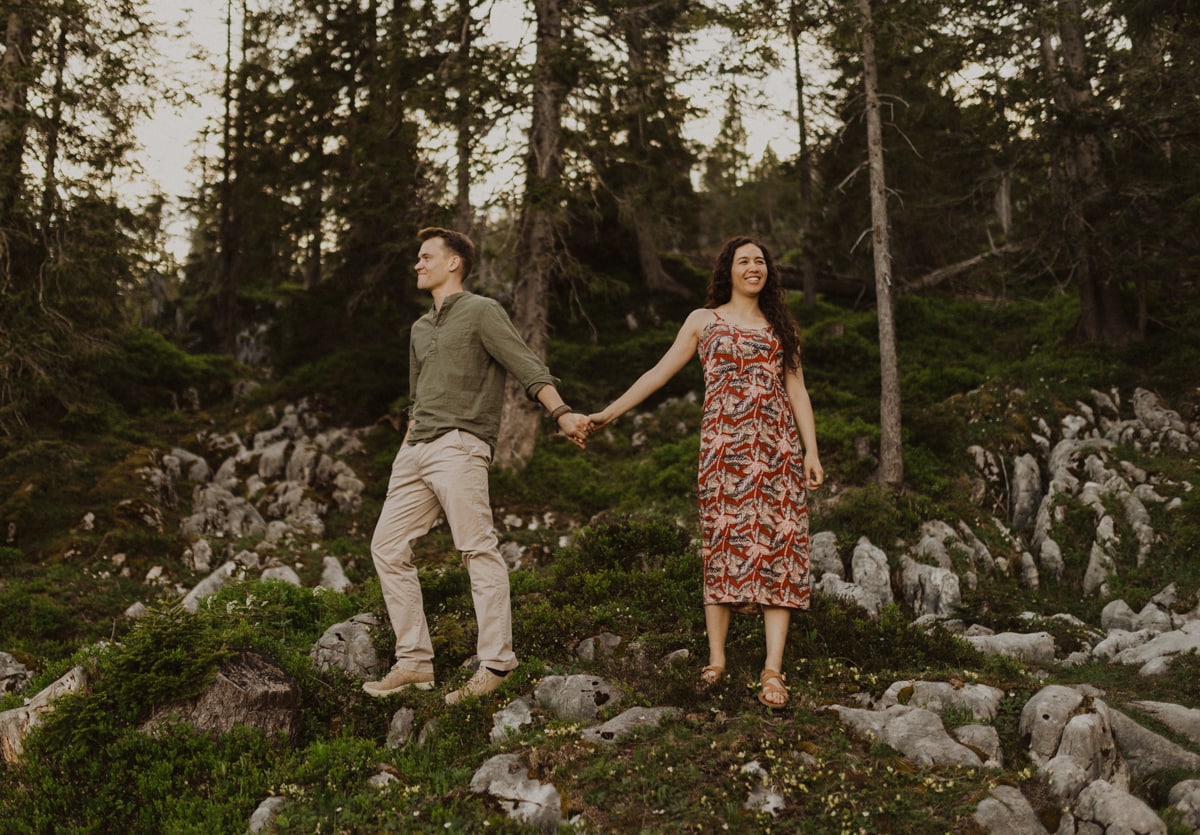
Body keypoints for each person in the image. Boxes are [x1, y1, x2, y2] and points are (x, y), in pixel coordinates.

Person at [588, 235, 823, 708]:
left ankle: (772, 669)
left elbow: (797, 391)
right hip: (722, 451)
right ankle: (716, 660)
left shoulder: (781, 327)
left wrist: (810, 452)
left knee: (780, 545)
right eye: (744, 261)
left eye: (761, 261)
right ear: (728, 270)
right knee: (721, 542)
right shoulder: (703, 321)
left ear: (768, 273)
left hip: (777, 451)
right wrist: (606, 415)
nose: (754, 267)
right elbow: (658, 373)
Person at [363, 227, 590, 704]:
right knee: (386, 547)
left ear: (454, 263)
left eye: (426, 257)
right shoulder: (420, 327)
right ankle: (414, 662)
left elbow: (526, 365)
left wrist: (562, 412)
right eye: (416, 258)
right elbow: (415, 397)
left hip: (460, 445)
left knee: (476, 549)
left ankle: (498, 663)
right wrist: (406, 451)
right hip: (416, 449)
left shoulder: (482, 311)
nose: (417, 265)